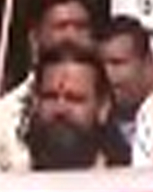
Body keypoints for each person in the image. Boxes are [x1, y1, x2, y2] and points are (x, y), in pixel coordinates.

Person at [0, 0, 96, 174]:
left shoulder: (111, 103)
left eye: (81, 27)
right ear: (34, 39)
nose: (71, 37)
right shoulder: (1, 118)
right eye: (61, 26)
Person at [17, 43, 125, 171]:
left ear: (103, 108)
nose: (61, 109)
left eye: (74, 99)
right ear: (35, 102)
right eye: (50, 97)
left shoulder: (129, 183)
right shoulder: (6, 182)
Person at [97, 16, 153, 168]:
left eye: (117, 63)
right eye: (101, 65)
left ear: (148, 63)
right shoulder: (94, 127)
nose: (107, 74)